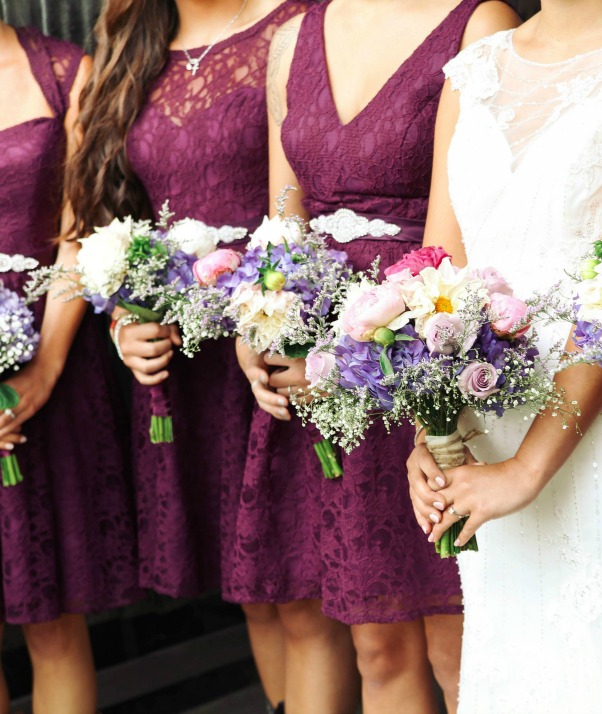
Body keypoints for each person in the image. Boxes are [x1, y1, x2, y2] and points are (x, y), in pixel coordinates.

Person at [406, 0, 602, 709]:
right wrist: (434, 432)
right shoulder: (474, 67)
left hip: (599, 434)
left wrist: (527, 470)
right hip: (485, 427)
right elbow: (437, 271)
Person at [64, 2, 355, 712]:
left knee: (302, 596)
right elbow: (107, 217)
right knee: (252, 595)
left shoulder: (302, 25)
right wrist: (122, 327)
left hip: (276, 345)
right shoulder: (132, 47)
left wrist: (295, 322)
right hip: (187, 369)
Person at [255, 1, 518, 711]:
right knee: (377, 644)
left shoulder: (479, 22)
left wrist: (355, 354)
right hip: (322, 364)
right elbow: (286, 216)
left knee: (457, 642)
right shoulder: (291, 37)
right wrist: (266, 326)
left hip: (428, 350)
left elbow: (460, 229)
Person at [0, 20, 139, 713]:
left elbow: (79, 233)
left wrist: (42, 373)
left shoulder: (63, 72)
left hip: (50, 370)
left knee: (53, 620)